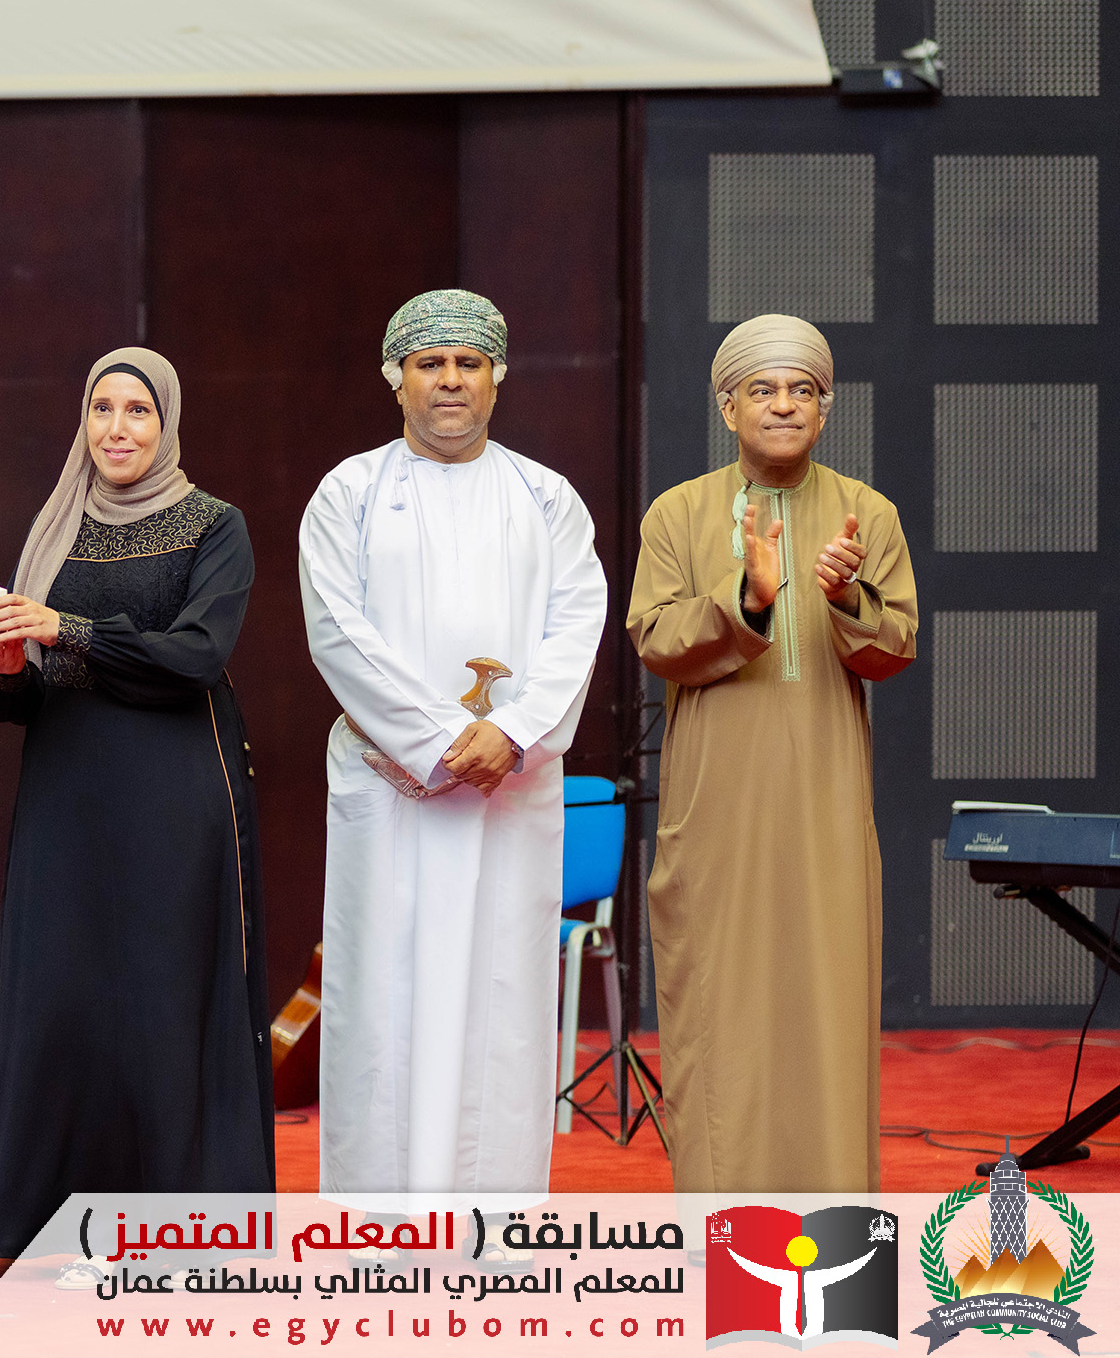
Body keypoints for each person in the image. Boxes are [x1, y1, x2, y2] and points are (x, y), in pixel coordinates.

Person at [298, 289, 607, 1197]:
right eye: (428, 363)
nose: (448, 380)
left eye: (467, 363)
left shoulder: (545, 497)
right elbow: (336, 629)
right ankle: (379, 1225)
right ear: (393, 378)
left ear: (497, 377)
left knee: (502, 999)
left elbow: (575, 625)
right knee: (382, 997)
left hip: (508, 793)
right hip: (387, 787)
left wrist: (509, 733)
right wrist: (437, 740)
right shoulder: (349, 492)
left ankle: (492, 1223)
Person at [0, 346, 272, 1264]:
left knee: (163, 994)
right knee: (63, 997)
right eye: (100, 408)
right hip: (65, 791)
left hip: (173, 792)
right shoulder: (54, 527)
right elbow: (16, 699)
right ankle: (55, 1223)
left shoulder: (213, 524)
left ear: (166, 421)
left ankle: (188, 1222)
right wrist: (6, 665)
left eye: (137, 410)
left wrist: (63, 627)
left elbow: (195, 656)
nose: (116, 428)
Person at [628, 314, 915, 1192]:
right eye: (762, 389)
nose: (783, 405)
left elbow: (893, 648)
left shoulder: (867, 513)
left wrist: (846, 596)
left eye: (801, 390)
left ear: (825, 409)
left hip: (824, 806)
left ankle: (835, 1236)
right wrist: (745, 600)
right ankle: (723, 1239)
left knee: (826, 1011)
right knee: (721, 1014)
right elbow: (655, 639)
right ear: (727, 407)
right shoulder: (678, 513)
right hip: (718, 810)